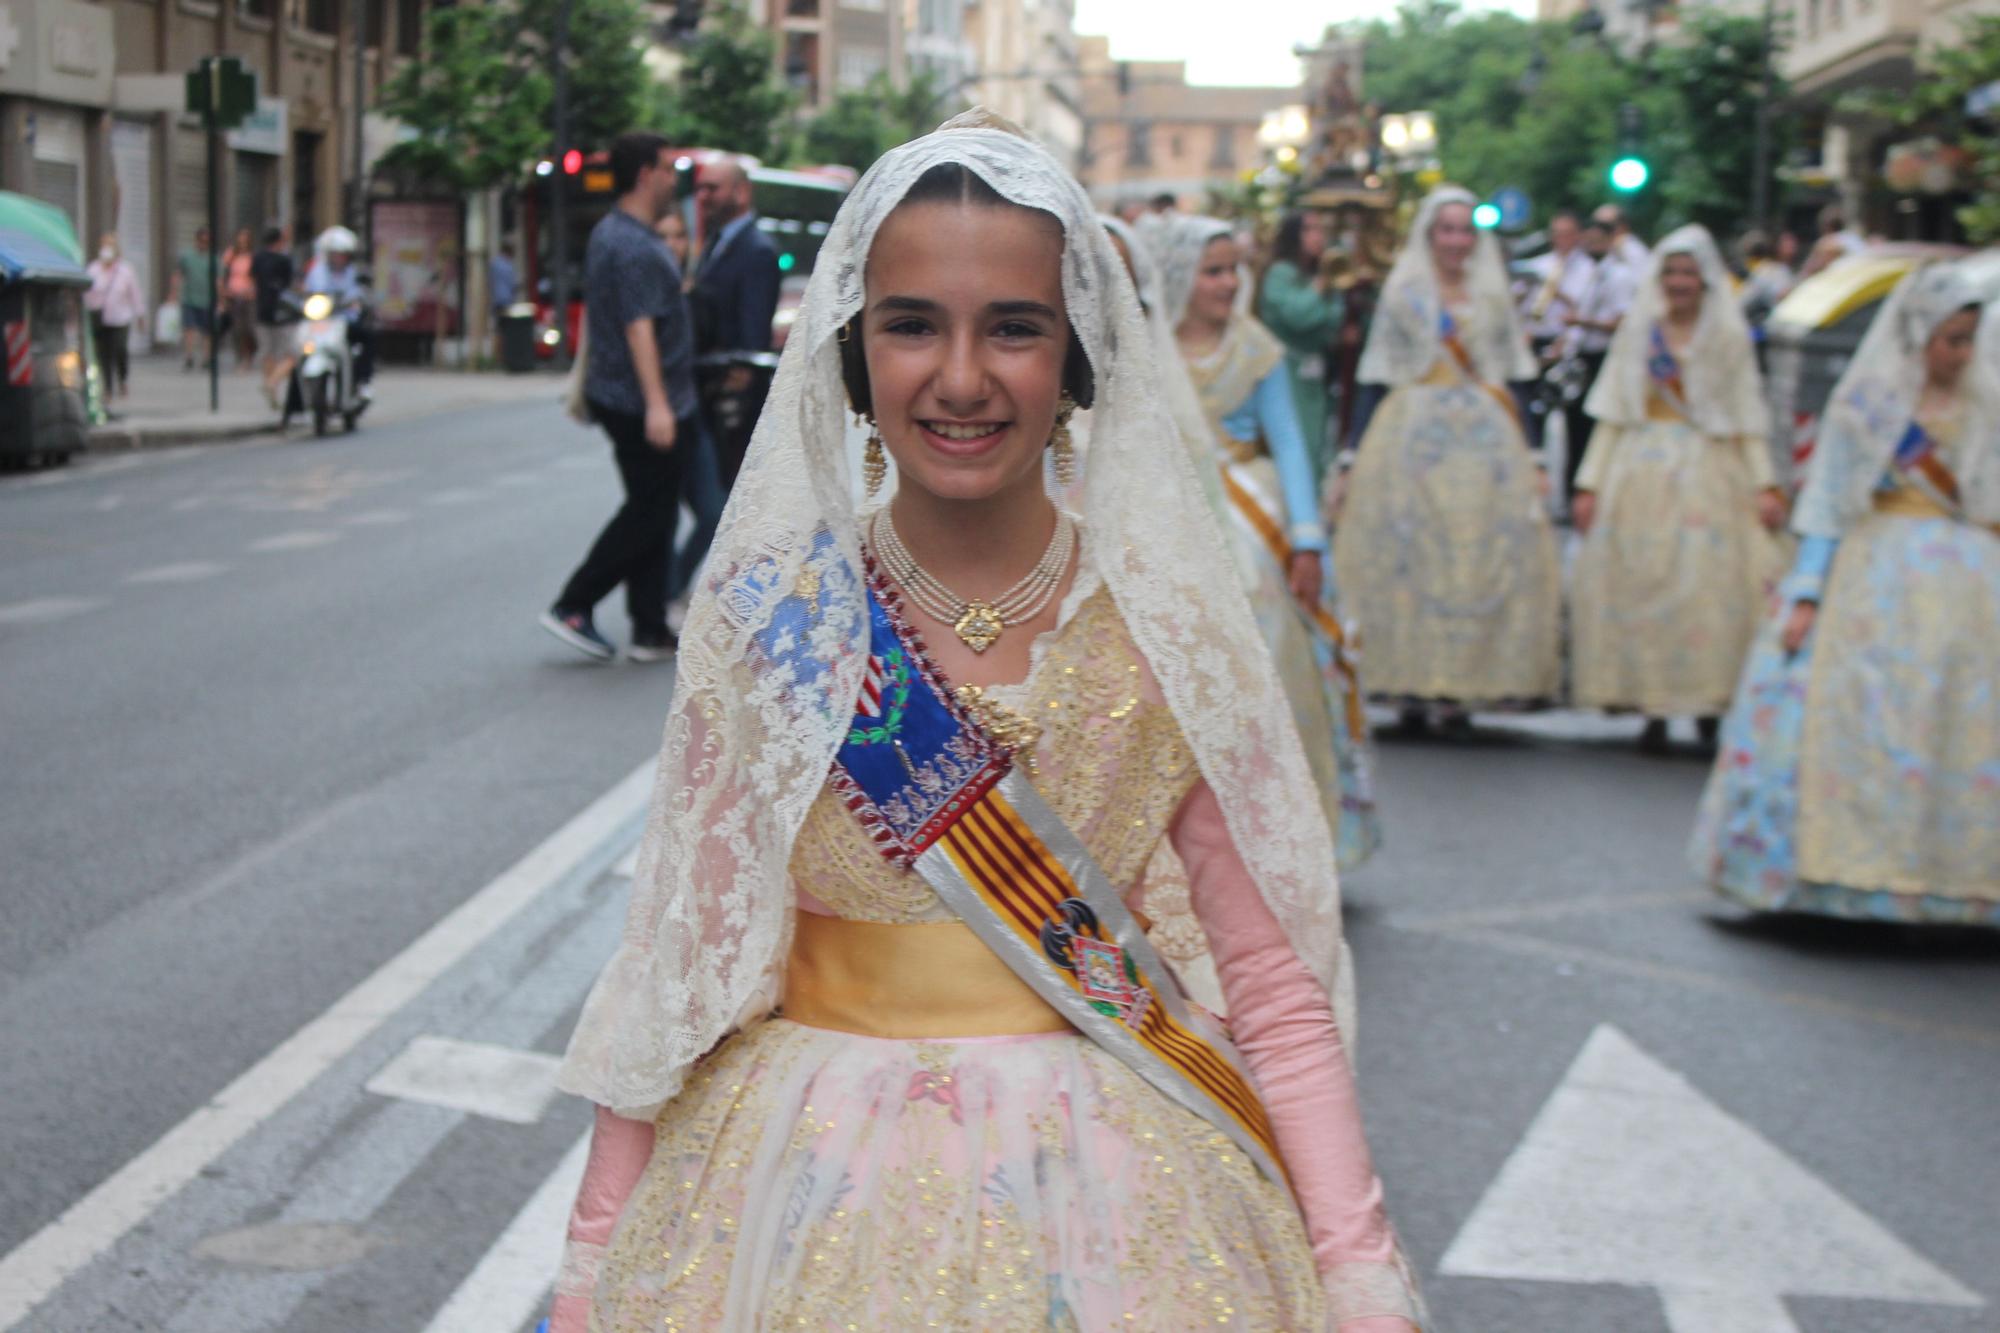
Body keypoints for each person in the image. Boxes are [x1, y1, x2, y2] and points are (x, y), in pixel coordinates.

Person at [545, 109, 1424, 1332]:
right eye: (912, 325)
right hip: (792, 1205)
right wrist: (591, 1270)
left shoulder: (1161, 631)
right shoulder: (775, 625)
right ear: (852, 354)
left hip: (1119, 1211)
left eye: (1013, 327)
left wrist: (1357, 1271)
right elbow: (675, 969)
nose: (960, 377)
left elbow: (1270, 985)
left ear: (1075, 356)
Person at [1691, 262, 2000, 926]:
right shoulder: (1869, 403)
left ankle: (1949, 885)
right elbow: (1829, 501)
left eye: (1970, 339)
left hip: (1969, 588)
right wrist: (1806, 592)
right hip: (1877, 577)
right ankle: (1848, 878)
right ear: (1920, 335)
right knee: (1868, 720)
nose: (1963, 354)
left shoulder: (1987, 401)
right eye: (1952, 339)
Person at [1157, 211, 1381, 870]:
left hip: (1254, 519)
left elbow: (1287, 443)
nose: (1229, 284)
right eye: (1214, 271)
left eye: (1234, 270)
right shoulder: (1143, 349)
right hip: (1171, 508)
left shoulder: (1258, 349)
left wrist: (1307, 540)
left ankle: (1283, 836)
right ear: (1179, 277)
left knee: (1274, 667)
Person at [1331, 184, 1561, 731]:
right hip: (1410, 436)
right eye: (1447, 230)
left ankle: (1462, 685)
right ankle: (1411, 682)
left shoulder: (1493, 294)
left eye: (1465, 230)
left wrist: (1533, 454)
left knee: (1476, 553)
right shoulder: (1404, 292)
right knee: (1411, 554)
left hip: (1485, 439)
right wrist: (1349, 458)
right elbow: (1375, 376)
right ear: (1430, 235)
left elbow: (1517, 376)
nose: (1456, 241)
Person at [1569, 226, 1790, 752]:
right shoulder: (1639, 334)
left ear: (1706, 279)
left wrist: (1764, 483)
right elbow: (1615, 413)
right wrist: (1589, 483)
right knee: (1645, 585)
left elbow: (1745, 415)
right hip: (1640, 470)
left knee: (1709, 591)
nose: (1679, 282)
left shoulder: (1728, 336)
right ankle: (1653, 706)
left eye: (1689, 272)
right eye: (1670, 272)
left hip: (1712, 470)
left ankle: (1709, 703)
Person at [540, 132, 697, 665]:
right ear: (646, 173)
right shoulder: (629, 243)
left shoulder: (624, 233)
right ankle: (575, 602)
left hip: (642, 396)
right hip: (637, 399)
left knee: (656, 509)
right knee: (648, 511)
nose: (674, 179)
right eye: (669, 168)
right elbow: (638, 329)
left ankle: (649, 626)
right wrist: (657, 403)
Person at [668, 153, 783, 617]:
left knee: (725, 503)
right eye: (701, 188)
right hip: (706, 394)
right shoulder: (716, 243)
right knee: (718, 504)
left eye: (713, 188)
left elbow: (752, 338)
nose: (704, 196)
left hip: (731, 403)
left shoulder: (755, 249)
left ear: (741, 192)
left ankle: (697, 591)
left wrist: (736, 385)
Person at [1257, 209, 1346, 481]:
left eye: (1320, 230)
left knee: (1319, 442)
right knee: (1297, 442)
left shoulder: (1319, 273)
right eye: (1309, 230)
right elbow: (1300, 316)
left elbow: (1334, 322)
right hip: (1286, 373)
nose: (1317, 237)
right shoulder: (1280, 274)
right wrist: (1320, 286)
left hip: (1315, 375)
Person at [1558, 211, 1640, 505]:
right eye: (1587, 241)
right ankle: (1571, 492)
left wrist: (1581, 322)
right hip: (1581, 354)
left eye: (1597, 241)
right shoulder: (1590, 273)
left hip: (1602, 357)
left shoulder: (1620, 275)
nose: (1591, 246)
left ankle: (1591, 491)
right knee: (1573, 429)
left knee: (1594, 429)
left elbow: (1621, 321)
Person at [1519, 209, 1593, 450]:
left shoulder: (1589, 270)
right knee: (1529, 411)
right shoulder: (1537, 266)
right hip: (1535, 340)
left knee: (1573, 419)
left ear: (1578, 236)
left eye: (1567, 234)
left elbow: (1584, 310)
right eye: (1557, 234)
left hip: (1567, 344)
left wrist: (1565, 344)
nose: (1561, 239)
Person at [302, 226, 374, 396]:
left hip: (344, 321)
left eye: (343, 255)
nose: (339, 258)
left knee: (368, 337)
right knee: (301, 351)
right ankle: (295, 404)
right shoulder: (318, 271)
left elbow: (356, 292)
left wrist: (357, 302)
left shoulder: (351, 273)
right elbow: (308, 290)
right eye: (335, 254)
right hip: (320, 322)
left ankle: (363, 382)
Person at [84, 234, 145, 399]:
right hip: (99, 317)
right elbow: (86, 293)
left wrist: (140, 314)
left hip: (120, 318)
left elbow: (135, 293)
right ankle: (108, 388)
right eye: (104, 246)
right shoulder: (93, 269)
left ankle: (123, 378)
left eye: (110, 246)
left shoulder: (125, 270)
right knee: (104, 354)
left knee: (120, 349)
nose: (106, 250)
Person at [251, 226, 295, 408]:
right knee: (292, 354)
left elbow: (253, 279)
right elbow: (289, 284)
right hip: (281, 311)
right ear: (279, 241)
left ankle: (273, 393)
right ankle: (271, 383)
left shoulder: (258, 258)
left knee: (267, 351)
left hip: (262, 309)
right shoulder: (284, 260)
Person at [176, 226, 217, 370]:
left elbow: (218, 280)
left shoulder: (213, 259)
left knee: (207, 331)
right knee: (189, 328)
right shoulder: (187, 256)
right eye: (201, 241)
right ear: (196, 240)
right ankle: (189, 356)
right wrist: (173, 293)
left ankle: (206, 358)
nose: (204, 244)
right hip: (189, 298)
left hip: (208, 299)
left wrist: (221, 300)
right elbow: (179, 274)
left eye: (207, 241)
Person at [222, 228, 259, 369]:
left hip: (249, 296)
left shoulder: (253, 256)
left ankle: (250, 353)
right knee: (238, 328)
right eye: (240, 238)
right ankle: (241, 356)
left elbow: (256, 277)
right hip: (233, 295)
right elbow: (223, 273)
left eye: (245, 239)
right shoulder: (231, 254)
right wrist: (224, 292)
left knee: (250, 327)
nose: (242, 241)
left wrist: (252, 290)